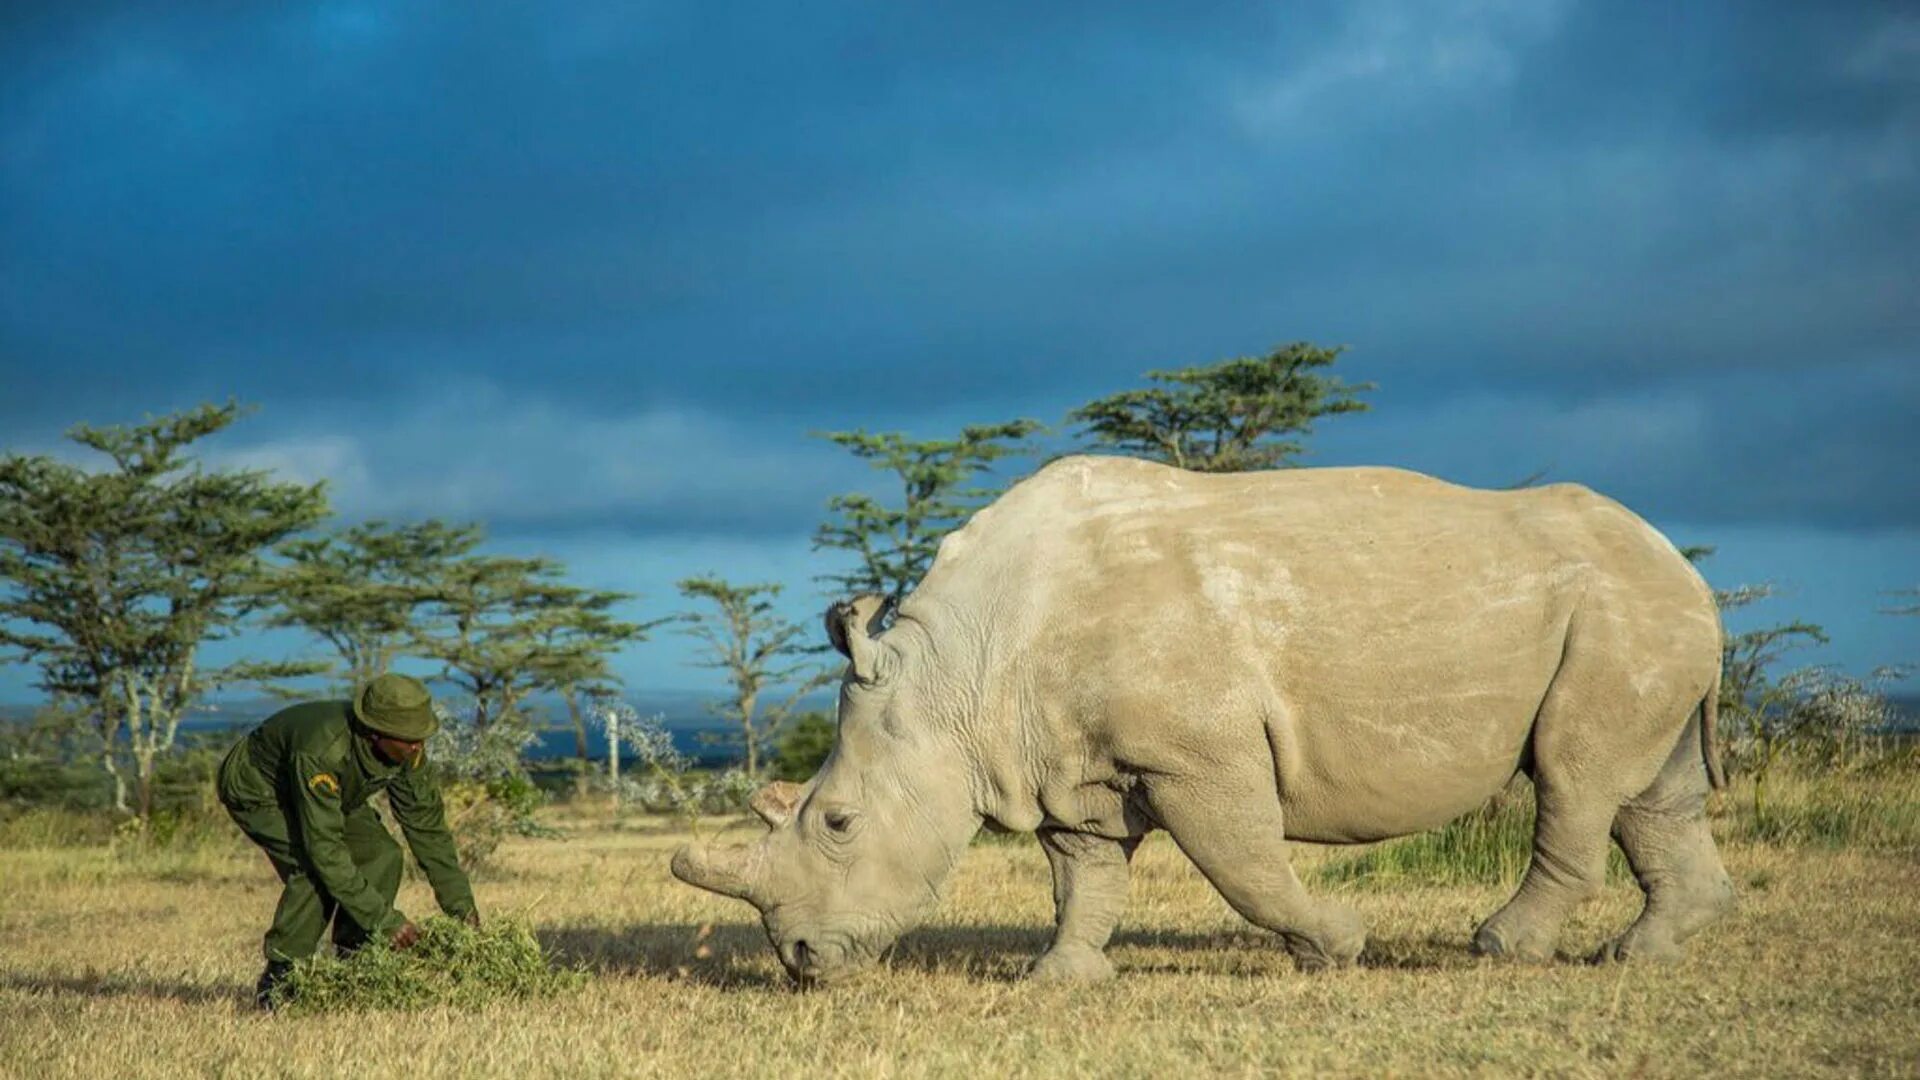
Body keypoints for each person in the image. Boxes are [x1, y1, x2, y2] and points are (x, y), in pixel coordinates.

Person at [216, 673, 479, 1008]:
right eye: (409, 739)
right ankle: (281, 980)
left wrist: (462, 910)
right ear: (374, 733)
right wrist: (385, 921)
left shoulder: (408, 750)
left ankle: (355, 965)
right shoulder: (323, 750)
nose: (418, 747)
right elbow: (325, 850)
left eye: (422, 736)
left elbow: (428, 829)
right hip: (260, 790)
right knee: (314, 872)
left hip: (330, 795)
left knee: (382, 854)